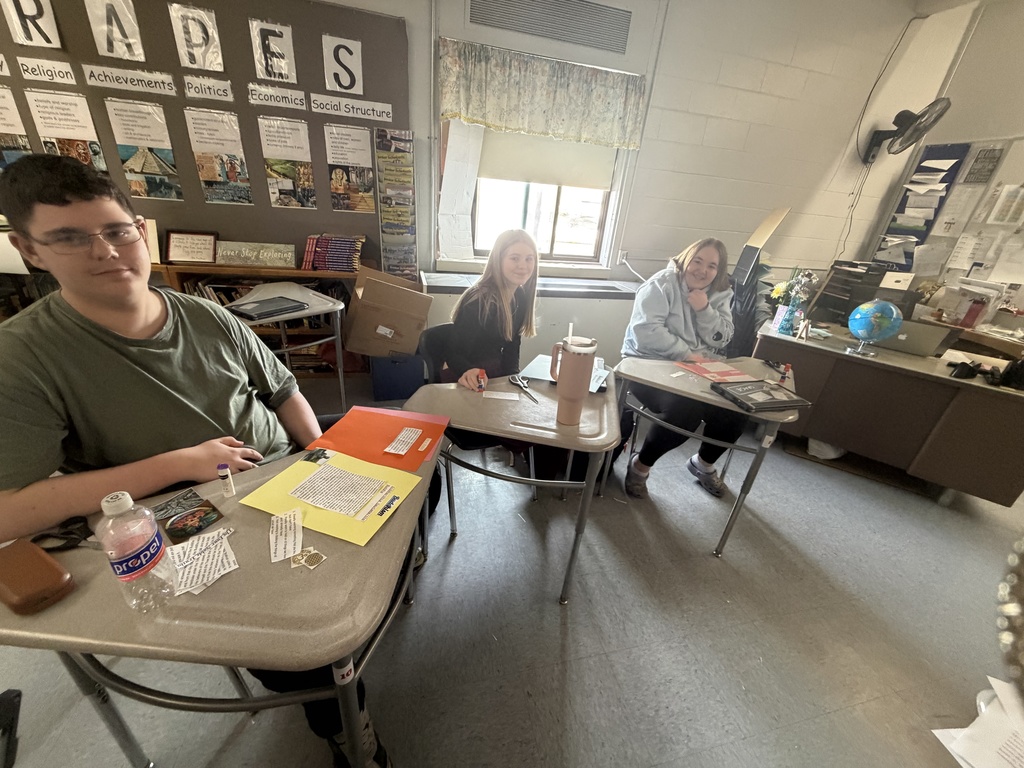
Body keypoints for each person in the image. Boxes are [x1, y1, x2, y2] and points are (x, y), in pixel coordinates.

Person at [0, 155, 388, 768]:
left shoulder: (207, 315)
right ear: (29, 250)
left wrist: (322, 455)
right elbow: (9, 513)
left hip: (287, 473)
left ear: (141, 229)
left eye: (117, 230)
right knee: (301, 647)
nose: (105, 252)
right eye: (70, 238)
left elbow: (284, 390)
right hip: (186, 515)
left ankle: (362, 635)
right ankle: (346, 725)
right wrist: (177, 463)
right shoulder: (22, 356)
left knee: (408, 496)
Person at [620, 237, 748, 499]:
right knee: (684, 412)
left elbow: (723, 337)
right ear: (685, 259)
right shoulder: (660, 284)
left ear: (719, 271)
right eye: (697, 261)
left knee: (737, 408)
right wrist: (688, 354)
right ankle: (640, 467)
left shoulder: (721, 292)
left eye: (712, 266)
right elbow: (646, 333)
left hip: (697, 368)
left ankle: (702, 464)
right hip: (647, 364)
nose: (702, 270)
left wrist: (704, 310)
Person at [445, 228, 538, 389]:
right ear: (498, 260)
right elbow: (453, 353)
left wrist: (512, 380)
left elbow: (512, 345)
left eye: (529, 259)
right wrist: (468, 371)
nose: (523, 265)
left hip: (493, 375)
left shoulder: (520, 296)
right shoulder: (480, 301)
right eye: (514, 258)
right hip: (465, 377)